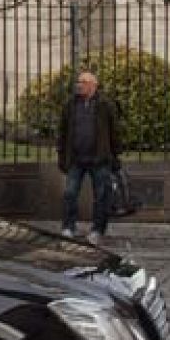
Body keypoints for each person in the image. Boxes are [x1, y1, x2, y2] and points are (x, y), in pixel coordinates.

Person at [56, 71, 122, 246]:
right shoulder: (70, 105)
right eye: (78, 82)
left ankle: (97, 230)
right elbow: (62, 132)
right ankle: (69, 227)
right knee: (70, 193)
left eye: (83, 82)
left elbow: (114, 132)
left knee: (101, 196)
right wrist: (62, 156)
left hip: (99, 159)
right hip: (76, 159)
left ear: (94, 85)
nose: (79, 85)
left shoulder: (105, 105)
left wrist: (114, 156)